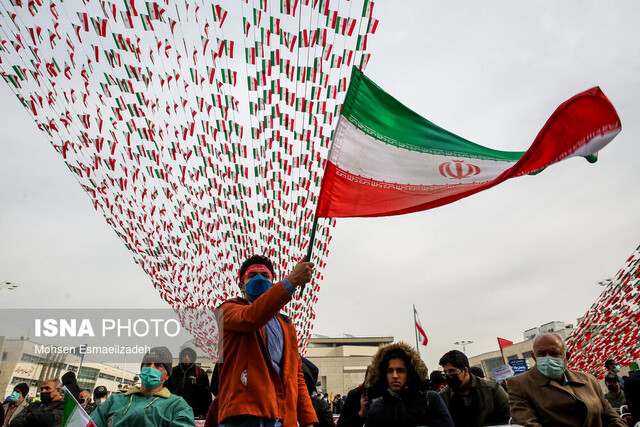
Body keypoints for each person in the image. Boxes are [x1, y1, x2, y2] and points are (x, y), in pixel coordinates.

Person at [216, 255, 317, 427]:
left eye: (265, 276)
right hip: (244, 416)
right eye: (252, 275)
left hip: (283, 418)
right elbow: (252, 318)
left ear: (272, 283)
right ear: (241, 285)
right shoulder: (227, 310)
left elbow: (296, 375)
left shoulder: (286, 325)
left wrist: (308, 420)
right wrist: (291, 281)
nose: (259, 279)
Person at [507, 333, 626, 426]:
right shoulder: (520, 384)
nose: (548, 358)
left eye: (554, 353)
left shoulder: (588, 380)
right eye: (542, 354)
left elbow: (611, 417)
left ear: (566, 356)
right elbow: (527, 424)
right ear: (534, 357)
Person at [90, 346, 195, 426]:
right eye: (147, 364)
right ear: (141, 369)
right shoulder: (114, 401)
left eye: (158, 365)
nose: (151, 368)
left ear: (167, 375)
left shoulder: (177, 406)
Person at [365, 342, 453, 427]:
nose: (395, 376)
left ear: (410, 373)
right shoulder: (377, 408)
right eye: (390, 371)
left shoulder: (430, 400)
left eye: (400, 371)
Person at [439, 349, 510, 427]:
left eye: (452, 371)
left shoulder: (492, 389)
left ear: (465, 371)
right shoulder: (443, 396)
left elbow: (509, 417)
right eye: (445, 372)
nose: (448, 375)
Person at [165, 342, 212, 420]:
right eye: (184, 354)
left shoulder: (200, 374)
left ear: (193, 356)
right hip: (173, 414)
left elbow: (206, 396)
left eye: (189, 355)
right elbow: (166, 392)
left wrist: (203, 413)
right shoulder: (172, 372)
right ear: (181, 356)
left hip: (194, 415)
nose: (187, 358)